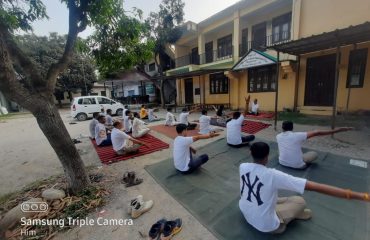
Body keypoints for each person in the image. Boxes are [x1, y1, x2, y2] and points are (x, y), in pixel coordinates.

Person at [239, 142, 370, 234]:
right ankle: (284, 220)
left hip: (245, 211)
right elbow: (316, 187)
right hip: (266, 226)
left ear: (251, 153)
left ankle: (286, 213)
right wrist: (360, 195)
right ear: (267, 157)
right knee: (299, 201)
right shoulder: (273, 175)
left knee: (276, 197)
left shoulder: (243, 166)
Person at [277, 121, 354, 169]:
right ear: (292, 128)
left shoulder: (278, 136)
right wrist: (339, 130)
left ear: (282, 128)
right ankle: (300, 162)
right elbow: (317, 132)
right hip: (298, 166)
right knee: (314, 154)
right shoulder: (297, 135)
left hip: (282, 162)